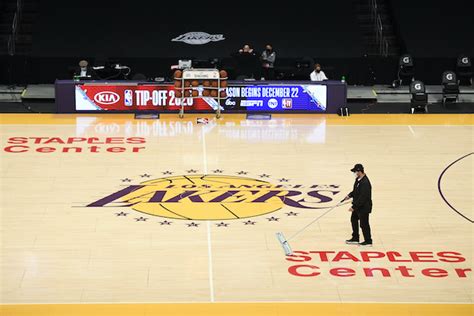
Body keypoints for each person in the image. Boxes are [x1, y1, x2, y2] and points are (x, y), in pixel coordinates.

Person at [344, 164, 373, 246]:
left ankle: (368, 241)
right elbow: (356, 191)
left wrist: (354, 207)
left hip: (364, 207)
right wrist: (349, 195)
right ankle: (355, 238)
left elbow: (363, 198)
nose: (354, 173)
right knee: (353, 219)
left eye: (355, 172)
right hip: (358, 206)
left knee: (364, 224)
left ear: (359, 171)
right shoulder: (358, 179)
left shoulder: (365, 183)